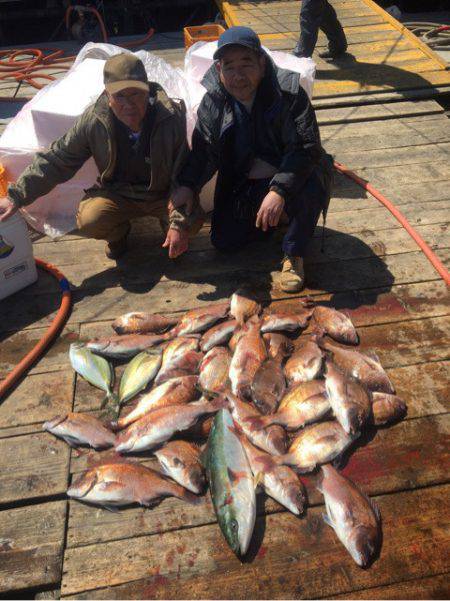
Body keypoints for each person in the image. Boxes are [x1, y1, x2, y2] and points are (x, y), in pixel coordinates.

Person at [172, 26, 332, 292]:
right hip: (244, 180)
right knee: (224, 242)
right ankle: (279, 221)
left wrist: (279, 190)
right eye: (229, 67)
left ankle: (293, 253)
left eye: (246, 64)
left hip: (291, 176)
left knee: (312, 181)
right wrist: (188, 185)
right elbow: (203, 152)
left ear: (261, 62)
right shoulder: (213, 101)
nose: (238, 75)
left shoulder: (290, 93)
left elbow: (306, 148)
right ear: (219, 71)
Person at [0, 53, 201, 260]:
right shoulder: (94, 120)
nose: (128, 104)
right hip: (118, 193)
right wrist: (15, 196)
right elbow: (58, 159)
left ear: (147, 91)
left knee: (192, 223)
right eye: (119, 96)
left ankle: (167, 226)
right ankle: (119, 235)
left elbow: (182, 172)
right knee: (90, 220)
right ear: (107, 96)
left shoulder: (170, 116)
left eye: (135, 94)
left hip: (162, 194)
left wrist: (177, 222)